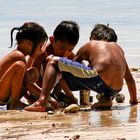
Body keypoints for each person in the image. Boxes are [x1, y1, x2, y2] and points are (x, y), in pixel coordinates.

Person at [25, 23, 138, 112]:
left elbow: (69, 70)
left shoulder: (91, 44)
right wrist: (134, 100)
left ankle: (42, 101)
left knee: (53, 62)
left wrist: (71, 97)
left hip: (97, 79)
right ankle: (106, 100)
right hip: (115, 89)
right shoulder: (118, 48)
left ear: (92, 38)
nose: (67, 53)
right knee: (90, 73)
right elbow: (129, 79)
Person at [25, 20, 80, 109]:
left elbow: (78, 63)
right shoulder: (41, 53)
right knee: (56, 66)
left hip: (50, 90)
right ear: (52, 40)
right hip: (36, 89)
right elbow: (30, 80)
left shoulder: (66, 54)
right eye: (62, 48)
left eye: (70, 50)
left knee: (66, 67)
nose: (65, 53)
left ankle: (56, 95)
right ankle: (48, 98)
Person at [0, 22, 48, 110]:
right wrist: (47, 97)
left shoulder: (20, 56)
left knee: (33, 72)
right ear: (28, 43)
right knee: (19, 66)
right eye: (40, 46)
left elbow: (20, 83)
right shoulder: (18, 56)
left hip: (3, 94)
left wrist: (31, 100)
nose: (41, 51)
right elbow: (28, 84)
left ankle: (15, 102)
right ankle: (15, 103)